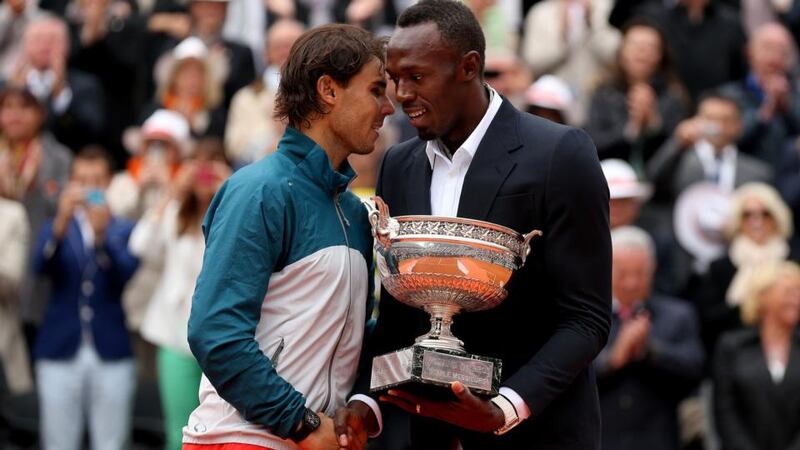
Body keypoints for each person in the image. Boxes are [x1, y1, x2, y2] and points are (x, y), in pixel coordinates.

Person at [339, 1, 611, 448]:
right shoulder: (399, 165)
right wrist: (367, 404)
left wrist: (503, 407)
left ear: (469, 68)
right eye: (395, 78)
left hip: (539, 431)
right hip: (432, 434)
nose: (400, 94)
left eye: (417, 77)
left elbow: (586, 318)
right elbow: (397, 315)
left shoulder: (560, 154)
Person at [182, 23, 394, 450]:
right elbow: (215, 332)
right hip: (240, 441)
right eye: (375, 90)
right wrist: (298, 423)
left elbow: (344, 337)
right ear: (328, 90)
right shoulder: (259, 190)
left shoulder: (353, 210)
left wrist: (361, 403)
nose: (388, 107)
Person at [31, 146, 139, 450]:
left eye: (96, 180)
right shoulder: (55, 226)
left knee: (111, 442)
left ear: (108, 183)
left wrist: (102, 238)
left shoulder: (123, 228)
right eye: (82, 180)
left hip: (111, 350)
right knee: (58, 442)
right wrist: (60, 226)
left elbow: (123, 276)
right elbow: (39, 268)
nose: (89, 187)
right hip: (60, 348)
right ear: (71, 183)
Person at [129, 137, 231, 450]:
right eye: (197, 164)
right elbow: (139, 245)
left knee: (222, 435)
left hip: (225, 341)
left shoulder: (235, 214)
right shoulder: (175, 213)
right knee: (178, 433)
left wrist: (232, 188)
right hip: (176, 337)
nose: (203, 173)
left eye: (211, 164)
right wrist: (172, 190)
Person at [595, 226, 704, 450]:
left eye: (640, 273)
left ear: (653, 269)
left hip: (657, 437)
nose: (631, 283)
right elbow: (568, 372)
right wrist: (613, 358)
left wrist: (649, 350)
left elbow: (695, 368)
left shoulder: (677, 315)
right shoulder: (587, 316)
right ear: (606, 269)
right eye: (622, 274)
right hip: (600, 437)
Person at [698, 182, 794, 356]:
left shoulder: (792, 262)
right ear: (738, 221)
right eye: (748, 215)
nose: (756, 222)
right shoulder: (721, 267)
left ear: (777, 218)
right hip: (736, 353)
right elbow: (708, 320)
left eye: (765, 214)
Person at [713, 260, 800, 450]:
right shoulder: (732, 347)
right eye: (788, 292)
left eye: (799, 292)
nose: (796, 299)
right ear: (762, 297)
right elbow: (724, 411)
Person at [584, 17, 687, 168]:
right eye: (635, 45)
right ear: (621, 51)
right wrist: (631, 129)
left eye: (650, 47)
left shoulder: (673, 97)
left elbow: (678, 151)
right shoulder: (604, 94)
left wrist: (653, 124)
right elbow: (592, 143)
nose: (642, 52)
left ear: (661, 55)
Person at [647, 90, 772, 204]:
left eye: (725, 120)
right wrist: (677, 143)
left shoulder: (757, 173)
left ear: (739, 126)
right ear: (696, 120)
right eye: (710, 118)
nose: (717, 126)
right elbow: (651, 182)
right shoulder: (678, 162)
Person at [5, 15, 105, 152]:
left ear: (67, 45)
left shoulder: (86, 86)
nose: (44, 46)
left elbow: (93, 133)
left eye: (52, 40)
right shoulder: (6, 87)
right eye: (38, 40)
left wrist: (61, 95)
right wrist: (14, 95)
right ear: (25, 45)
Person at [721, 22, 800, 172]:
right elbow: (729, 138)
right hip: (743, 179)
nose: (775, 58)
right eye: (768, 48)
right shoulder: (729, 95)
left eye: (782, 52)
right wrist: (765, 112)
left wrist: (787, 106)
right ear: (749, 52)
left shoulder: (796, 96)